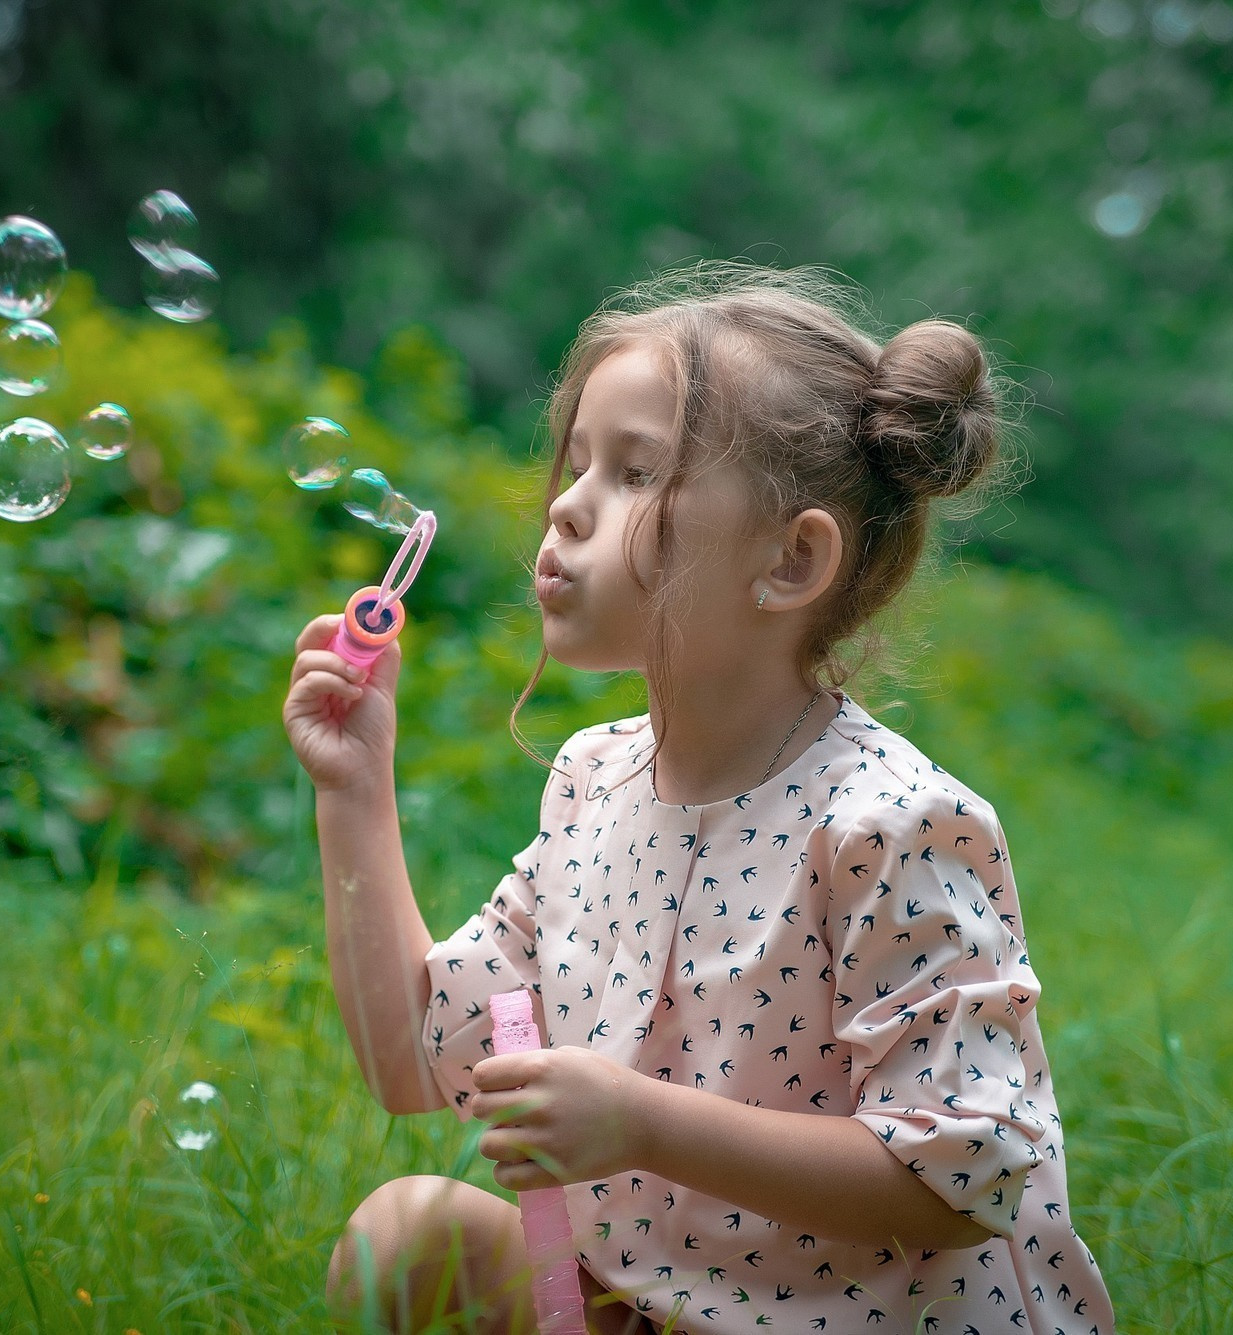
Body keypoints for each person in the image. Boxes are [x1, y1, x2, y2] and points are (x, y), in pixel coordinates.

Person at [283, 263, 1114, 1335]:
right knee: (403, 1240)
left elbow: (963, 1178)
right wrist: (353, 789)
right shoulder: (593, 786)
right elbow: (412, 1060)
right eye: (575, 463)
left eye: (635, 474)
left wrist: (639, 1124)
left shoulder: (886, 825)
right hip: (662, 1307)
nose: (567, 507)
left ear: (791, 559)